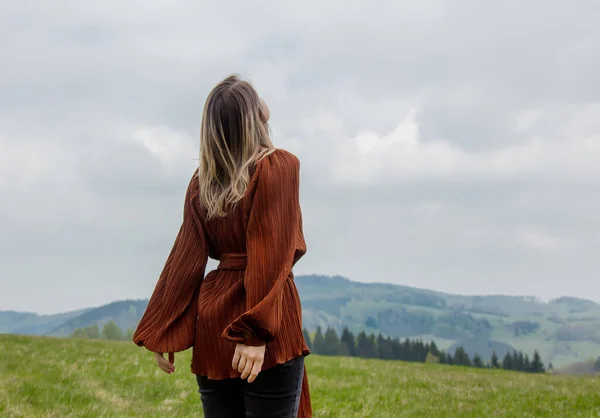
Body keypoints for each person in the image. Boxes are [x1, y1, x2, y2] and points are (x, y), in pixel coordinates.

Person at [132, 74, 312, 418]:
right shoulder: (277, 167)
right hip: (265, 330)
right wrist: (255, 335)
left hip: (215, 325)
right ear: (254, 115)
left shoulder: (203, 183)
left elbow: (184, 259)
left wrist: (163, 326)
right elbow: (270, 254)